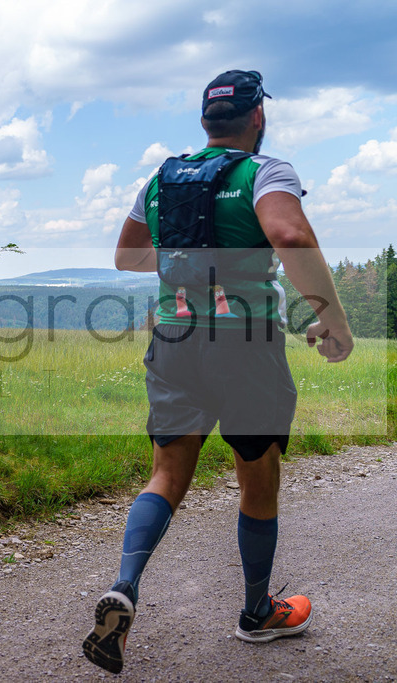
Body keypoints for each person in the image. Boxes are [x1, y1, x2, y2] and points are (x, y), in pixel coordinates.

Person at [82, 70, 354, 675]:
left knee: (167, 472)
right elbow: (288, 232)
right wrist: (331, 320)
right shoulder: (266, 172)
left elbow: (127, 255)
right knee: (257, 476)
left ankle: (124, 588)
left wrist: (187, 256)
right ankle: (257, 612)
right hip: (246, 344)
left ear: (206, 121)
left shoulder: (161, 177)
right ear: (257, 118)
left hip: (173, 340)